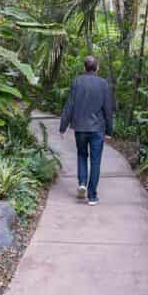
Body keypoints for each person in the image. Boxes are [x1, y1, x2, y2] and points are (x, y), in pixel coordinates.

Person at [58, 55, 114, 206]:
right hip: (97, 129)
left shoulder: (77, 81)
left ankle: (82, 182)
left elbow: (70, 105)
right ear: (97, 68)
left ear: (84, 67)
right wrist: (109, 130)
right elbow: (108, 109)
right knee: (95, 161)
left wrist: (63, 127)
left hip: (80, 128)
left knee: (82, 155)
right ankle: (92, 196)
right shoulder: (103, 84)